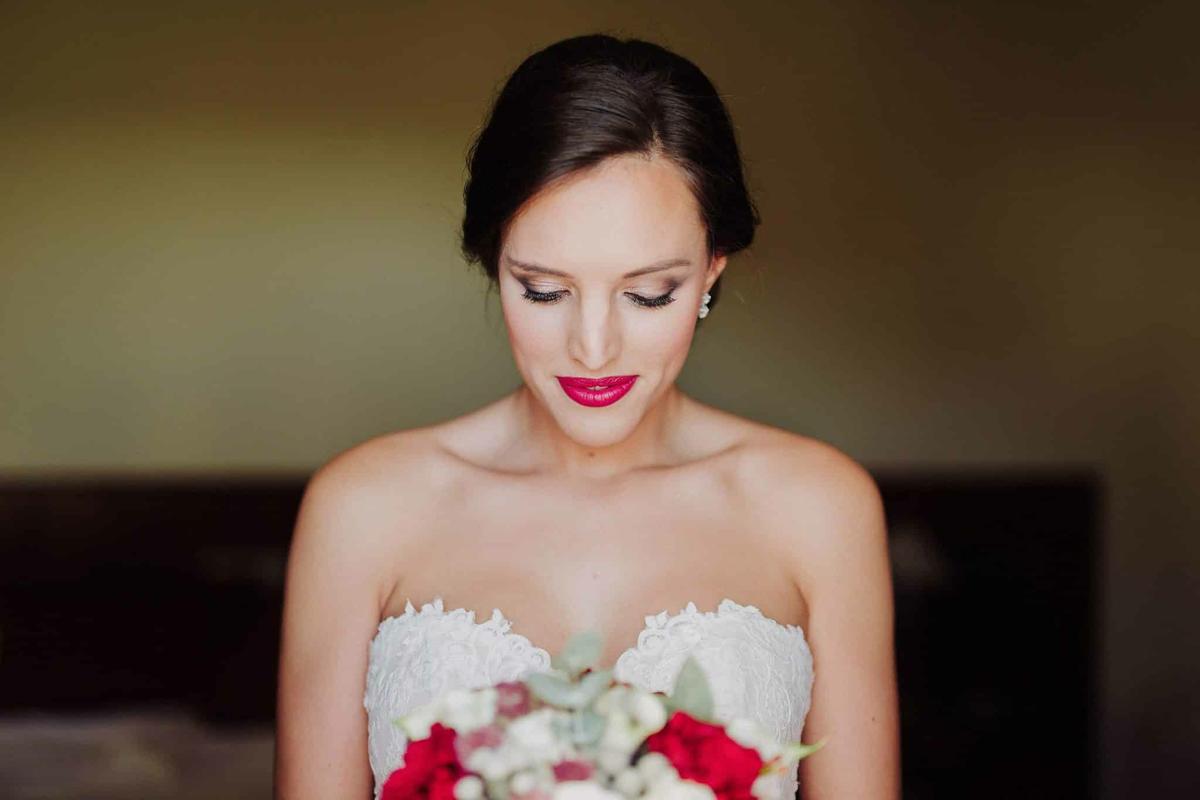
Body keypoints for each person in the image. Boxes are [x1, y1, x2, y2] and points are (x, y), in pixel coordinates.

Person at [274, 33, 899, 800]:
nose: (593, 349)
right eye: (543, 290)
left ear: (712, 267)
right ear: (494, 261)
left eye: (648, 294)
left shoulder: (816, 506)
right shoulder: (365, 506)